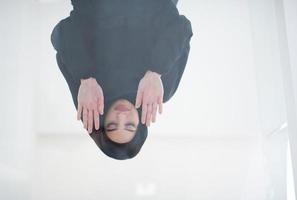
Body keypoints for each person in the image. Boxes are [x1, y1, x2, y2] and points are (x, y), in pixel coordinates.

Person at [50, 0, 193, 160]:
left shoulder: (89, 93)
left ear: (101, 122)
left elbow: (63, 31)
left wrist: (86, 77)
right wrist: (155, 71)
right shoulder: (159, 93)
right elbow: (182, 27)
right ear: (140, 125)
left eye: (112, 125)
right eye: (130, 126)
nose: (121, 116)